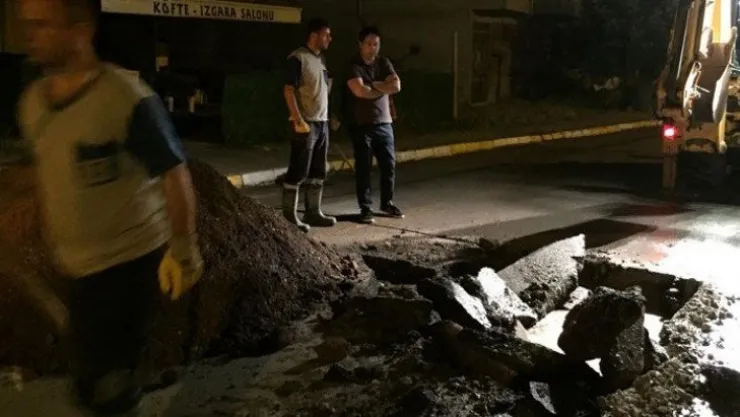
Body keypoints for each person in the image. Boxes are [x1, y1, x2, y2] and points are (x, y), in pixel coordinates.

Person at [16, 0, 203, 415]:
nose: (30, 34)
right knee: (88, 381)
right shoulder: (32, 104)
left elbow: (174, 172)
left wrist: (183, 246)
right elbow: (45, 171)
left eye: (43, 25)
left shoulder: (124, 99)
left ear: (80, 31)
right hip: (74, 265)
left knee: (107, 385)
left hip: (128, 261)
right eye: (28, 24)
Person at [281, 17, 337, 232]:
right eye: (326, 35)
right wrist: (298, 119)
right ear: (314, 35)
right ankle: (289, 217)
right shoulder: (298, 58)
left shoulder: (320, 59)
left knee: (318, 171)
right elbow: (288, 91)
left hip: (321, 123)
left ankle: (313, 212)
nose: (329, 39)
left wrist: (330, 116)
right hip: (305, 123)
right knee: (298, 170)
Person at [345, 26, 404, 224]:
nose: (373, 48)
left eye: (376, 44)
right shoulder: (354, 65)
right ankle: (365, 207)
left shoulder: (383, 62)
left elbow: (396, 86)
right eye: (369, 44)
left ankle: (387, 202)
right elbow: (360, 91)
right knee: (364, 168)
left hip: (384, 123)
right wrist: (382, 87)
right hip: (362, 125)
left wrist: (374, 85)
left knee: (389, 165)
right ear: (360, 44)